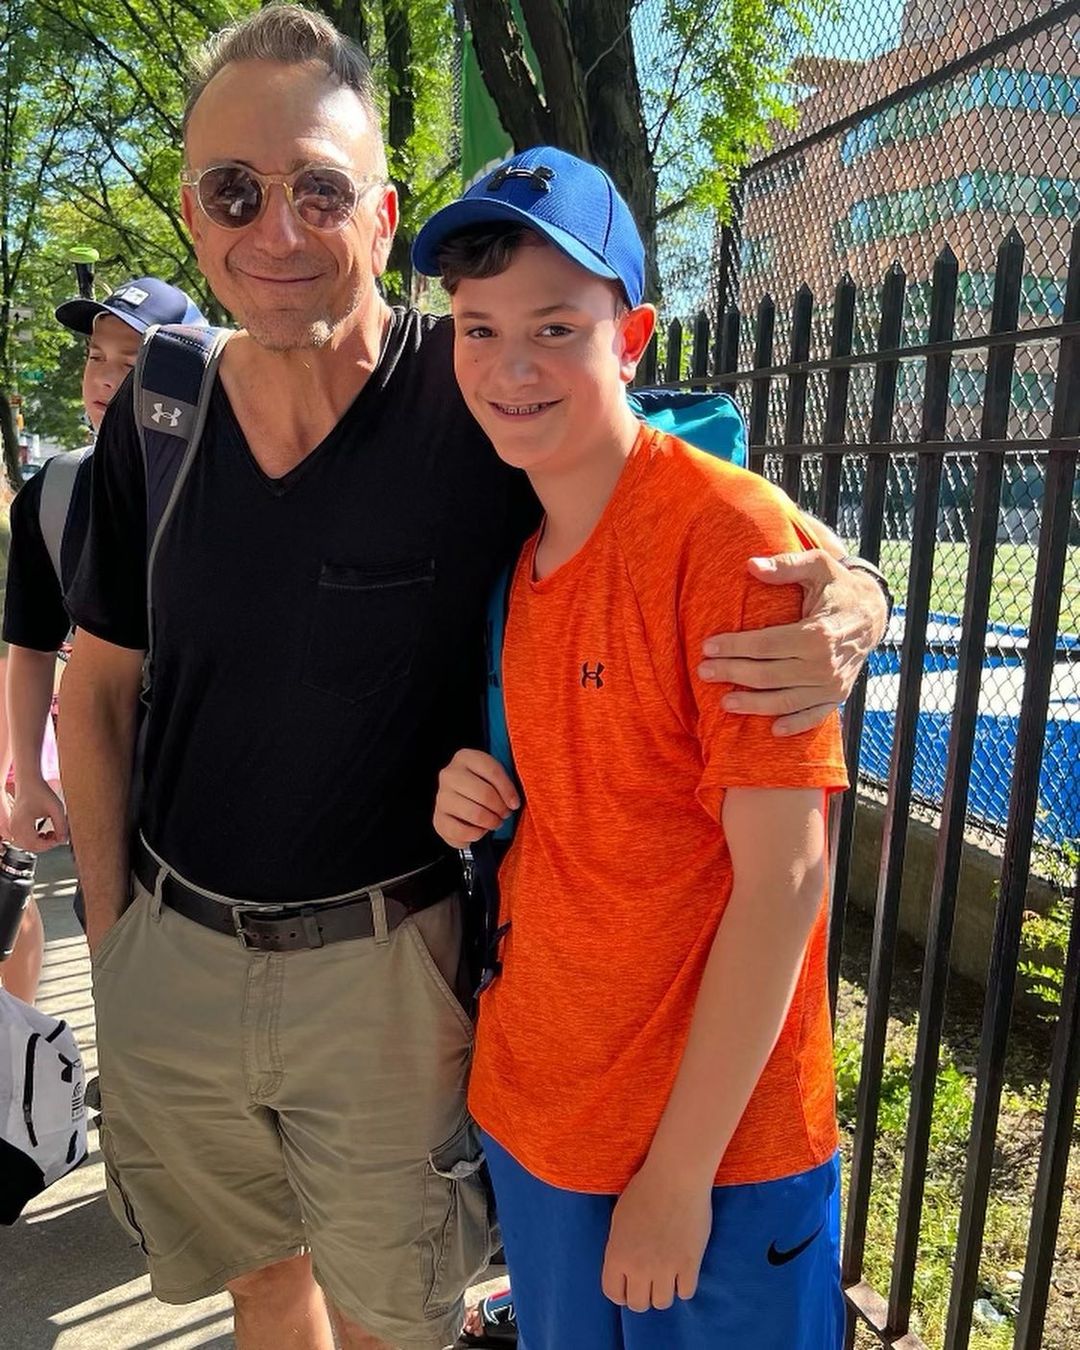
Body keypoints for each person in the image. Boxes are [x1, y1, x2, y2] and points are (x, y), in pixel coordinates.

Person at [58, 9, 887, 1350]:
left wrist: (857, 594)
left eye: (319, 188)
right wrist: (113, 946)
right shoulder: (163, 408)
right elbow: (93, 692)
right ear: (193, 213)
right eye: (234, 190)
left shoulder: (478, 397)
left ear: (381, 215)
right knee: (261, 1285)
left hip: (391, 975)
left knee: (393, 1316)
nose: (277, 228)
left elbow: (701, 500)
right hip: (187, 958)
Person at [424, 147, 850, 1350]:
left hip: (719, 1158)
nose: (511, 367)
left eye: (556, 328)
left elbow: (786, 880)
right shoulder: (521, 557)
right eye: (479, 328)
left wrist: (677, 1176)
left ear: (633, 337)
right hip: (542, 1117)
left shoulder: (728, 540)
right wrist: (474, 796)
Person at [0, 276, 204, 1003]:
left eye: (134, 362)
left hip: (221, 802)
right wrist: (28, 776)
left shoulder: (227, 487)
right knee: (120, 974)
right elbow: (29, 646)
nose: (105, 380)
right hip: (108, 794)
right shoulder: (54, 494)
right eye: (96, 357)